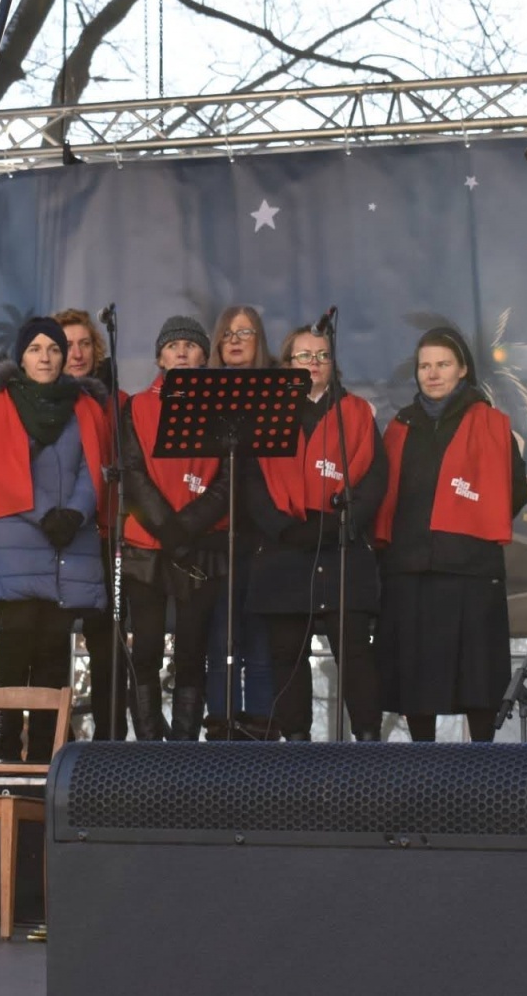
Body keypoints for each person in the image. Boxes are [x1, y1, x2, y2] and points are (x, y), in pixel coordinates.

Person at [0, 317, 111, 761]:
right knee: (15, 646)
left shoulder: (84, 406)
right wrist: (46, 513)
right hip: (15, 542)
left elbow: (92, 465)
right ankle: (5, 749)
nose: (45, 357)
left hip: (68, 542)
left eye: (53, 349)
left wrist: (77, 511)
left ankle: (47, 753)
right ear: (21, 357)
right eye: (36, 349)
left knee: (53, 652)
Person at [374, 328, 527, 742]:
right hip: (409, 570)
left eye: (442, 364)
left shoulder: (493, 423)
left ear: (462, 369)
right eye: (425, 365)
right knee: (415, 684)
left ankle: (481, 772)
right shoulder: (399, 427)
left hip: (470, 572)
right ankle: (423, 767)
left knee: (477, 682)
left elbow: (515, 492)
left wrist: (469, 525)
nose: (432, 374)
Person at [247, 325, 387, 741]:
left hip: (340, 548)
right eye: (304, 356)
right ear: (287, 364)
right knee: (287, 655)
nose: (314, 364)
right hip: (283, 549)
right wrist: (285, 528)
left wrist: (342, 524)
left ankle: (366, 739)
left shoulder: (357, 413)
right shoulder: (266, 413)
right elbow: (252, 482)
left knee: (356, 655)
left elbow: (376, 478)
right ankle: (297, 744)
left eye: (321, 356)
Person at [120, 316, 230, 739]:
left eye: (190, 344)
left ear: (205, 355)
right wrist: (168, 530)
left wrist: (186, 529)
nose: (181, 350)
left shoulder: (223, 408)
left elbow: (227, 481)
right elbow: (132, 472)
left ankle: (184, 743)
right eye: (172, 345)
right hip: (147, 546)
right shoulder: (137, 407)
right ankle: (148, 740)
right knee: (144, 649)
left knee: (191, 652)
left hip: (199, 547)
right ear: (159, 358)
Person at [54, 307, 130, 740]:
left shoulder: (116, 401)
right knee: (50, 645)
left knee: (108, 648)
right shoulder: (43, 400)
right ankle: (53, 745)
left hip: (105, 538)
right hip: (59, 539)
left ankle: (110, 741)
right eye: (67, 346)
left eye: (85, 343)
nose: (77, 353)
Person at [205, 304, 277, 736]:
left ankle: (263, 727)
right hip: (216, 533)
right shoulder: (203, 394)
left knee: (262, 639)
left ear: (259, 341)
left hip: (268, 532)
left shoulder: (277, 391)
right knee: (221, 638)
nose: (234, 340)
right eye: (227, 333)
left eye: (245, 332)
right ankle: (220, 724)